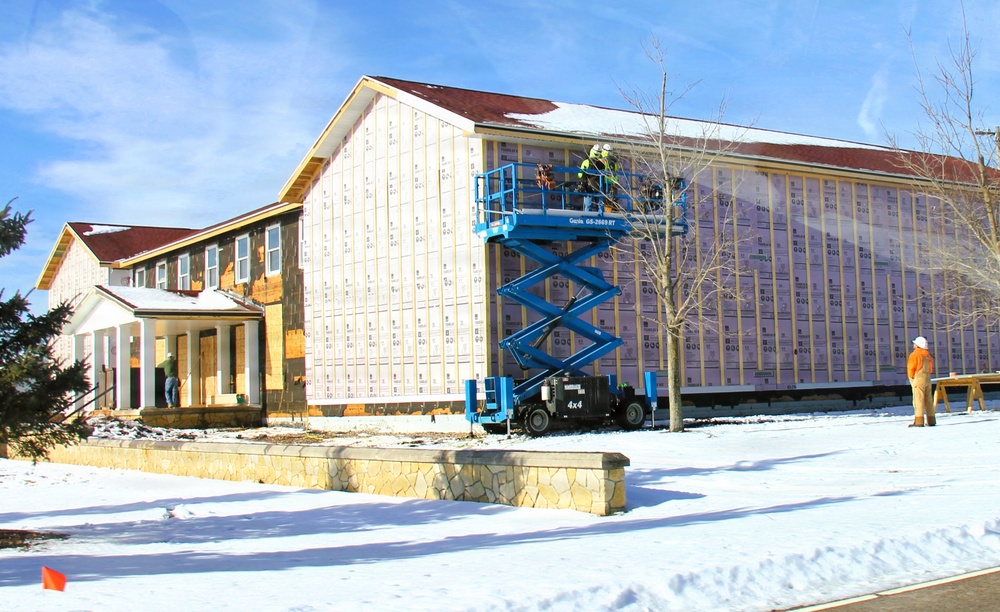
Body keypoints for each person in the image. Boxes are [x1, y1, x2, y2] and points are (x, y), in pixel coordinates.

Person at [906, 336, 935, 427]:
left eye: (915, 343)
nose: (914, 345)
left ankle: (919, 421)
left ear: (918, 345)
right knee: (928, 400)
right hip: (927, 378)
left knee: (918, 400)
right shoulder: (928, 355)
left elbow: (911, 368)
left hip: (918, 379)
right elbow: (930, 369)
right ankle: (931, 420)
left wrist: (911, 377)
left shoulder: (914, 355)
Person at [577, 144, 605, 211]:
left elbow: (580, 175)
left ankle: (587, 217)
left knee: (588, 206)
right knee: (600, 206)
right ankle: (600, 219)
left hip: (588, 187)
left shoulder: (586, 162)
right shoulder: (603, 164)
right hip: (599, 187)